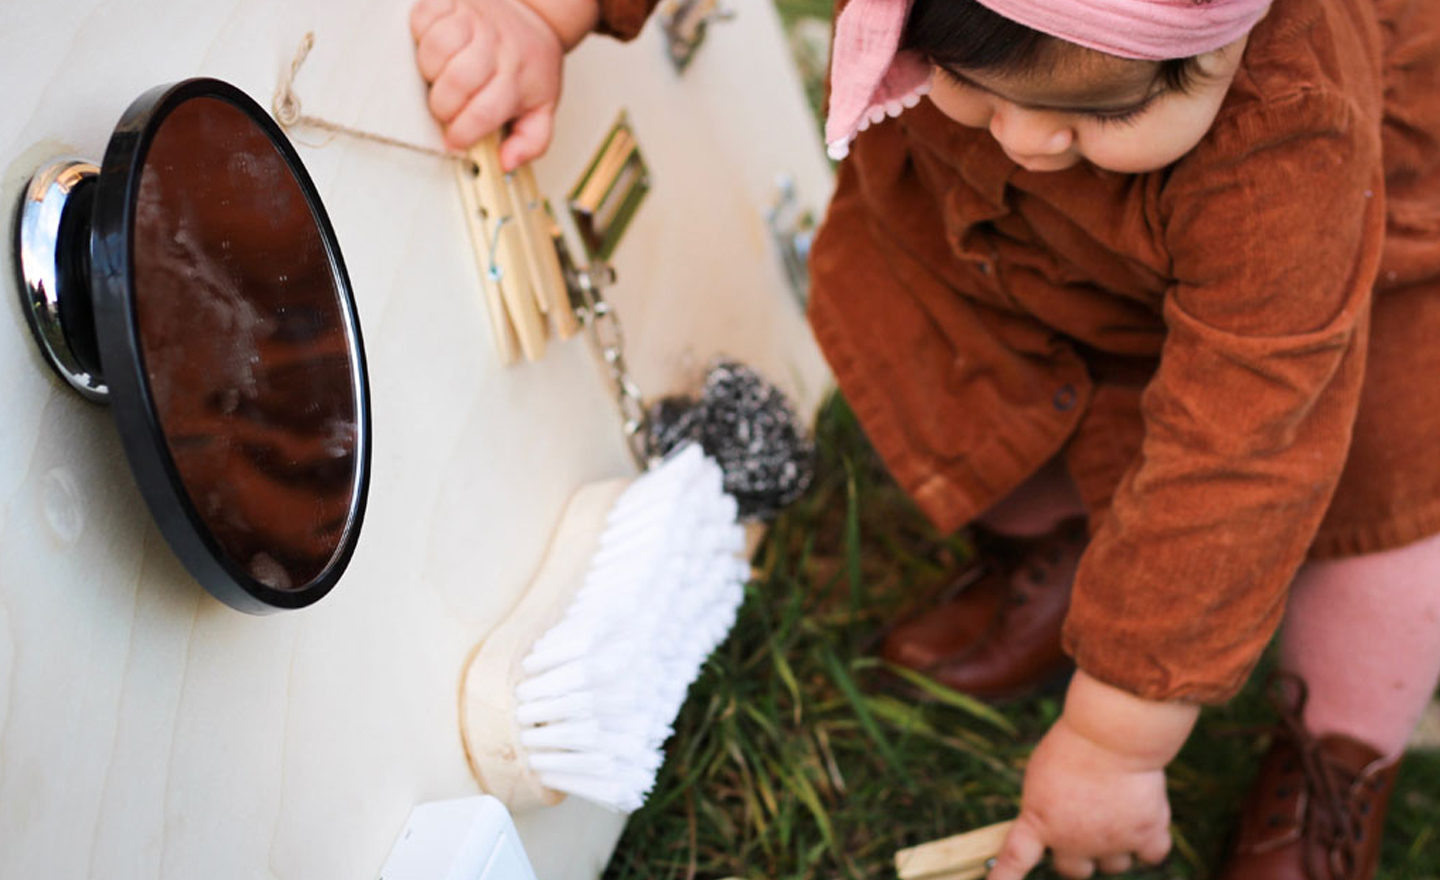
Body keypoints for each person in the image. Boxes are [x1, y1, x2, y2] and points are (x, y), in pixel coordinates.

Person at [407, 0, 1440, 878]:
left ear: (1218, 48)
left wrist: (1115, 741)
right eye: (974, 81)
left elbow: (1243, 449)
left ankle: (1338, 752)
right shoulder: (1028, 139)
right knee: (975, 370)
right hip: (1005, 244)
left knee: (1380, 489)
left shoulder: (1289, 132)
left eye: (1111, 106)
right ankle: (1071, 547)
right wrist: (547, 17)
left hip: (1361, 256)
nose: (1030, 140)